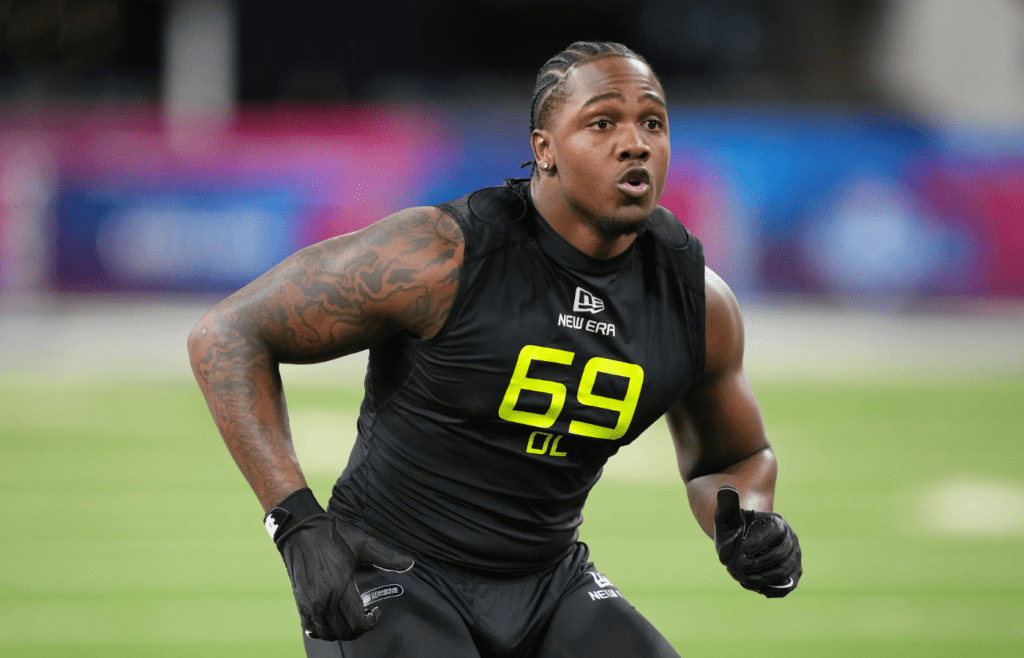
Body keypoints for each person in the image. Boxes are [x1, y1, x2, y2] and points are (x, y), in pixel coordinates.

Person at [188, 41, 802, 658]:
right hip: (398, 570)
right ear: (544, 150)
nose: (635, 143)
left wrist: (748, 519)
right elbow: (227, 333)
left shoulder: (696, 303)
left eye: (652, 122)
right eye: (602, 122)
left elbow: (733, 457)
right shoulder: (441, 256)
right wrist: (295, 524)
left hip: (552, 580)